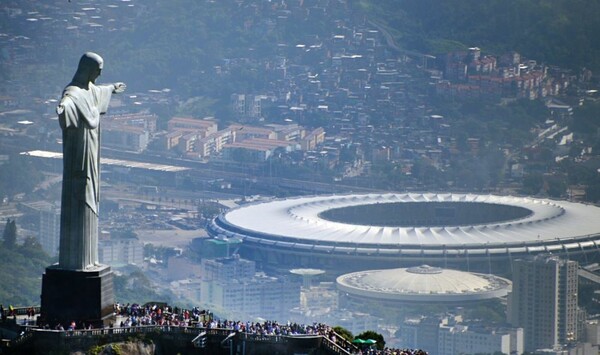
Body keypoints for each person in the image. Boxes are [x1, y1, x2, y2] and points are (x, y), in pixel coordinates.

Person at [57, 52, 126, 270]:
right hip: (79, 154)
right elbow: (67, 101)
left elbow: (98, 91)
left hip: (93, 152)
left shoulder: (90, 91)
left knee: (92, 197)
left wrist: (112, 87)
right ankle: (76, 261)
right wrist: (63, 108)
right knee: (80, 195)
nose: (99, 74)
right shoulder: (74, 93)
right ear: (87, 69)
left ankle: (88, 260)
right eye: (97, 70)